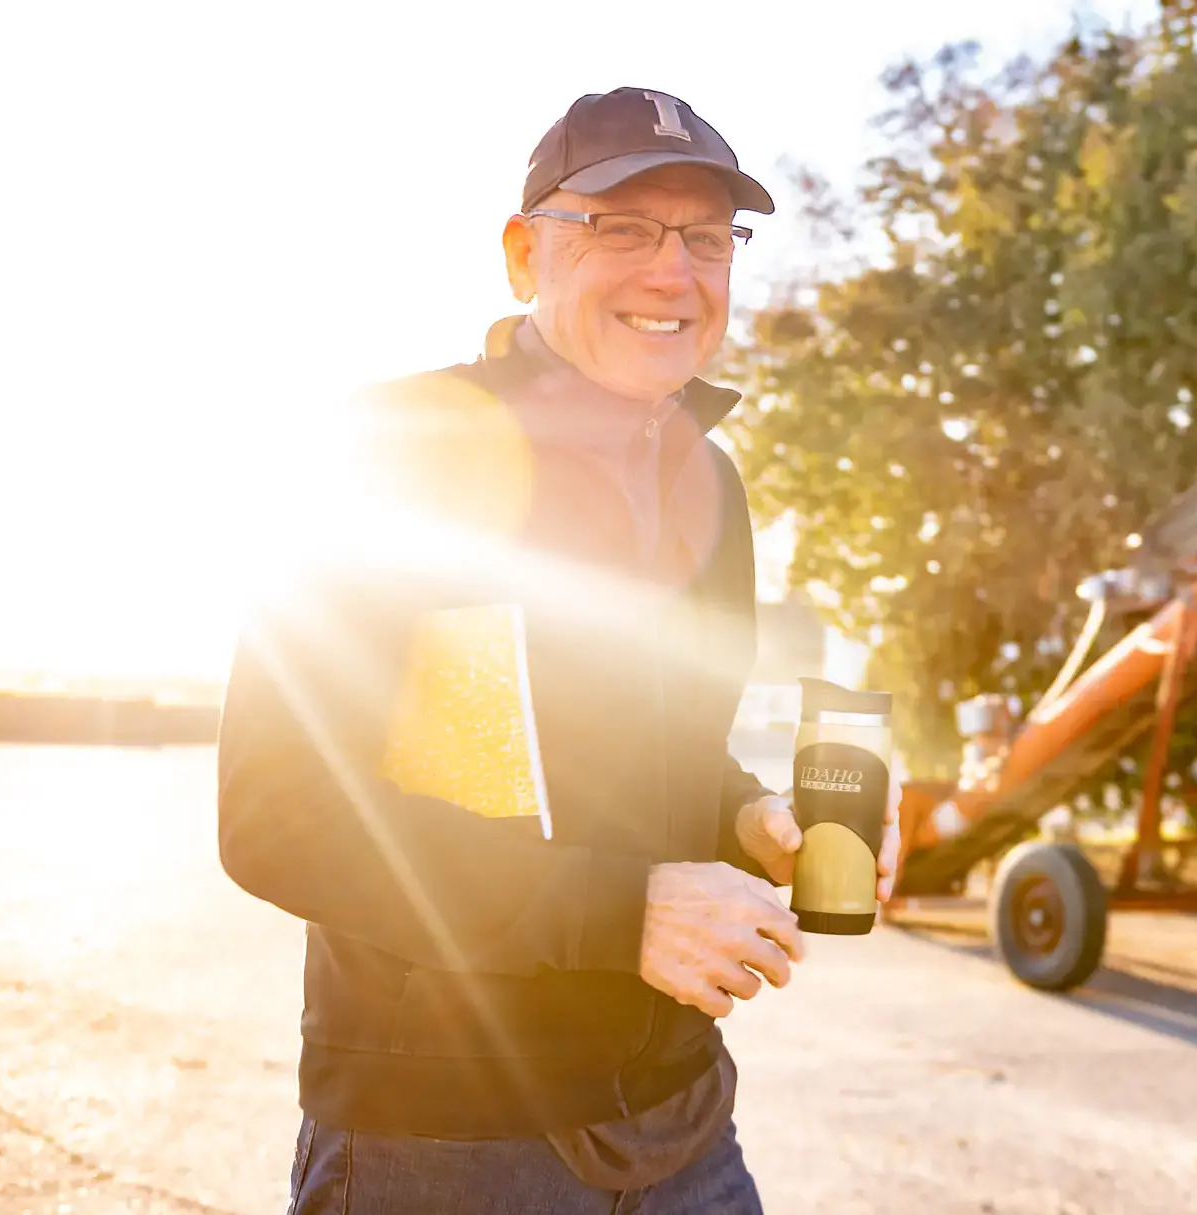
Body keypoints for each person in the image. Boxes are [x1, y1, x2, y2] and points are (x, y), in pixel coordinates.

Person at [216, 87, 899, 1214]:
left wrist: (755, 819)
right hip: (448, 1146)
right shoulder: (391, 451)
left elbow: (676, 756)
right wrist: (622, 912)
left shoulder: (709, 484)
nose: (672, 272)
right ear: (525, 254)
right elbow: (277, 816)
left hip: (684, 1126)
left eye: (707, 237)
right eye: (621, 229)